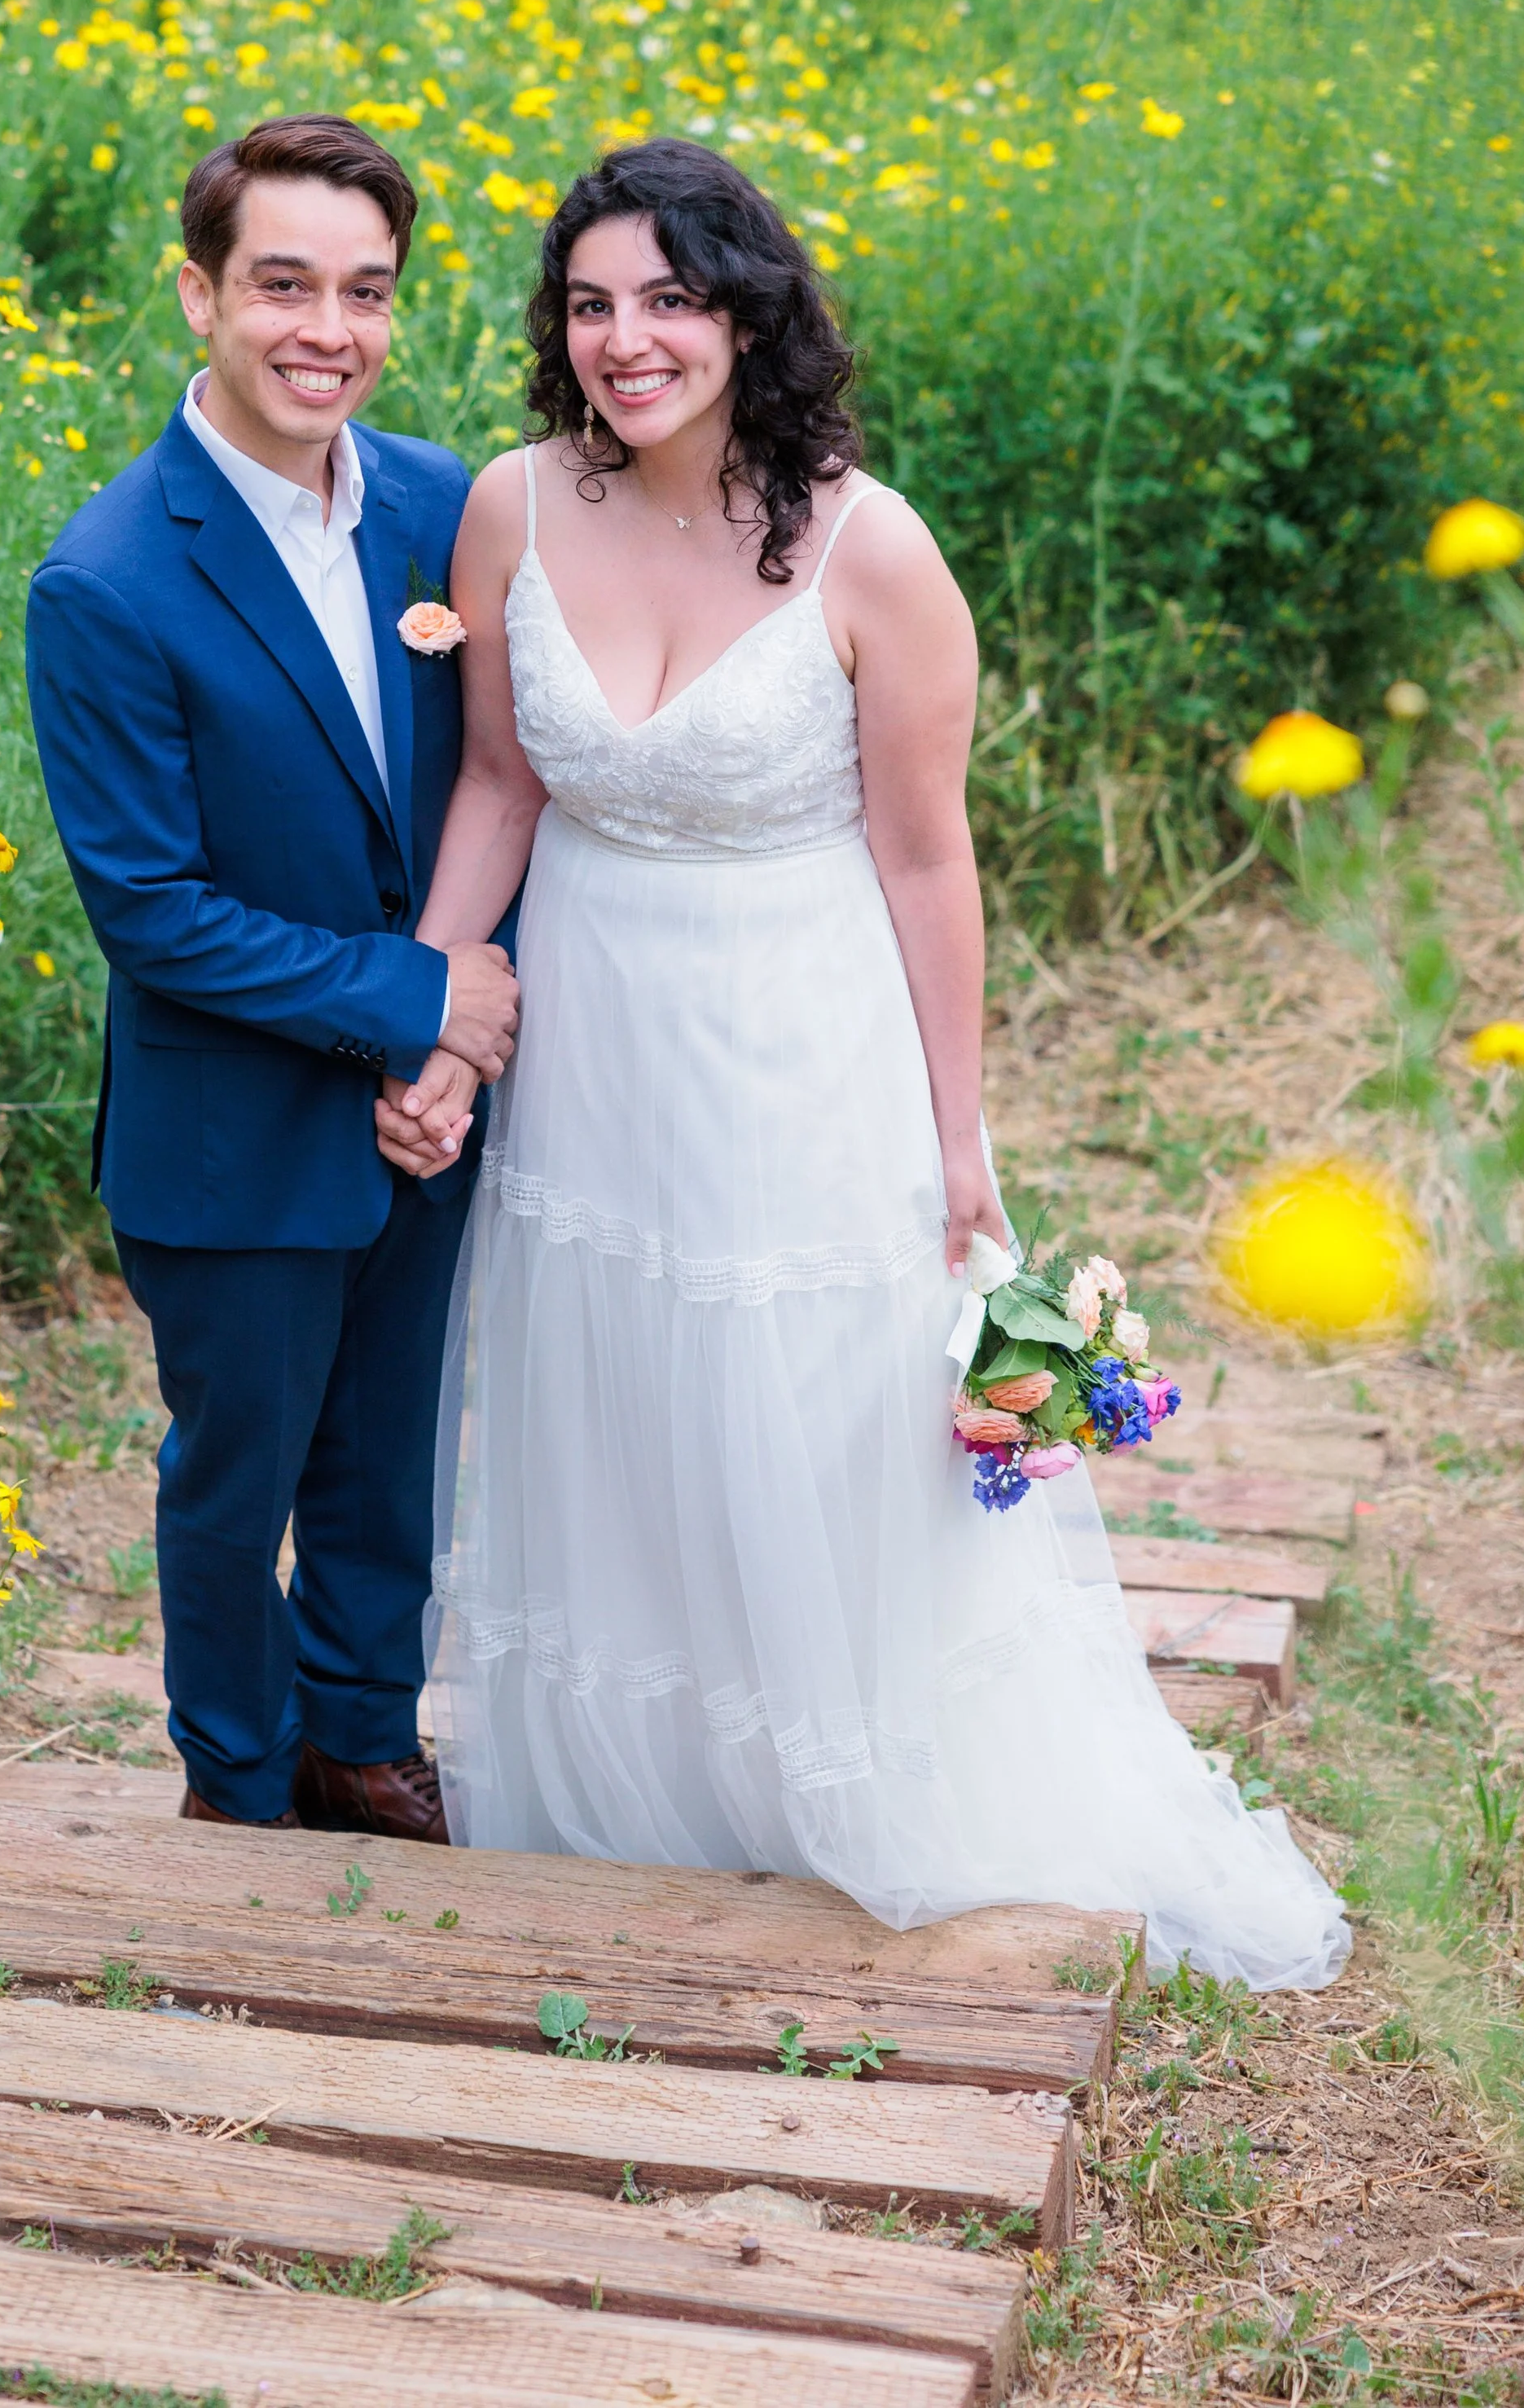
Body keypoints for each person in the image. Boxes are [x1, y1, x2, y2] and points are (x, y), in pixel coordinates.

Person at [382, 135, 1347, 1985]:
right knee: (624, 1381)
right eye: (588, 305)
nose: (623, 340)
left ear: (746, 313)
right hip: (595, 1024)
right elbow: (502, 780)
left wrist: (955, 1137)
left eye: (667, 299)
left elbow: (923, 855)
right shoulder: (510, 504)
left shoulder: (864, 542)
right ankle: (646, 1787)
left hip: (796, 1027)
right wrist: (434, 1006)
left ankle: (843, 1771)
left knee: (811, 1392)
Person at [26, 112, 517, 1836]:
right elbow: (152, 910)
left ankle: (360, 1736)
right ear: (198, 294)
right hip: (232, 1130)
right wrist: (411, 1003)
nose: (328, 331)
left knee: (390, 1447)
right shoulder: (106, 580)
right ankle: (235, 1781)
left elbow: (493, 783)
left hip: (427, 1103)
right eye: (284, 286)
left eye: (365, 292)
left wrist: (454, 1045)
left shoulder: (445, 511)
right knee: (238, 1478)